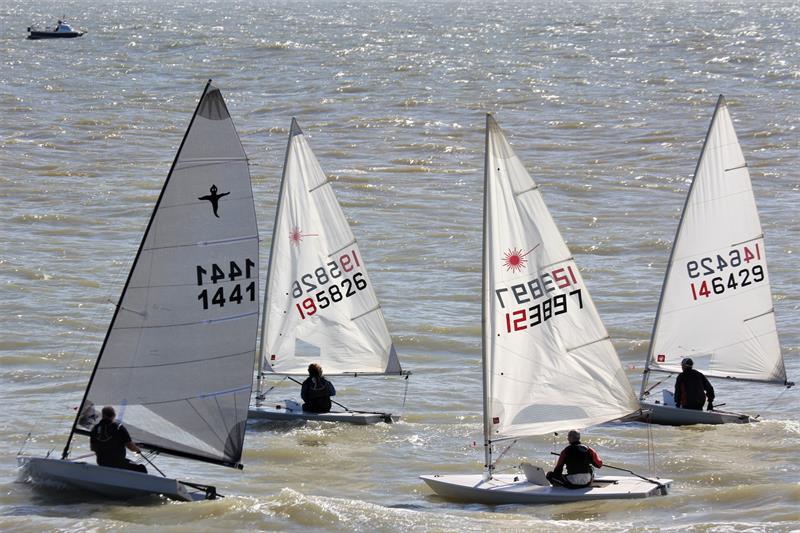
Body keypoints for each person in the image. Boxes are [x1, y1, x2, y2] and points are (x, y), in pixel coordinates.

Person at [89, 406, 147, 473]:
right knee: (141, 469)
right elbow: (131, 447)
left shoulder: (95, 428)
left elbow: (93, 448)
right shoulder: (119, 428)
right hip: (119, 463)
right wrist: (137, 449)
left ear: (103, 415)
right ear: (114, 415)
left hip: (102, 462)